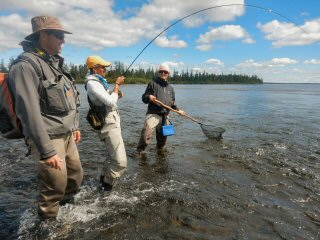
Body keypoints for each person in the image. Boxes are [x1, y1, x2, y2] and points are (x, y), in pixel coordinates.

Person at [8, 16, 83, 219]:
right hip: (48, 138)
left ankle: (67, 214)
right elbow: (29, 112)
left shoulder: (54, 63)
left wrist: (75, 126)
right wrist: (47, 152)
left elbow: (68, 99)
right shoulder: (24, 66)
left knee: (75, 178)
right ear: (43, 36)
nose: (63, 41)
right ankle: (48, 225)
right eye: (58, 36)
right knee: (54, 187)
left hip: (67, 134)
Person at [85, 56, 127, 191]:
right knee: (120, 162)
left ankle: (102, 183)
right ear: (93, 68)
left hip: (112, 120)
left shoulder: (100, 82)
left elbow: (108, 100)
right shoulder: (93, 83)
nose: (105, 70)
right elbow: (110, 102)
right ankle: (106, 187)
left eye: (105, 67)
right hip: (108, 123)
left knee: (111, 157)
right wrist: (117, 86)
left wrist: (116, 92)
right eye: (102, 67)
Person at [136, 63, 185, 155]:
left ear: (168, 73)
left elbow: (172, 104)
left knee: (162, 139)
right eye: (161, 71)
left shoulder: (171, 88)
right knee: (146, 134)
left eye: (165, 72)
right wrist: (149, 96)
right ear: (159, 73)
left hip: (165, 116)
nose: (163, 73)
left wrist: (179, 111)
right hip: (153, 113)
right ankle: (140, 151)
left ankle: (160, 150)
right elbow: (144, 98)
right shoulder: (152, 83)